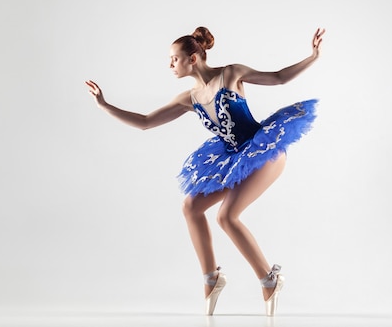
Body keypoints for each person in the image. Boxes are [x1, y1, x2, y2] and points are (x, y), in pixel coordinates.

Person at [85, 26, 324, 316]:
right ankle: (212, 278)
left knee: (226, 216)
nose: (170, 64)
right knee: (191, 206)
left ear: (193, 58)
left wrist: (312, 56)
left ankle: (269, 279)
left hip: (264, 151)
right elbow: (145, 121)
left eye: (174, 58)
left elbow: (278, 78)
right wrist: (104, 105)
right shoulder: (190, 98)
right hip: (233, 159)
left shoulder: (231, 74)